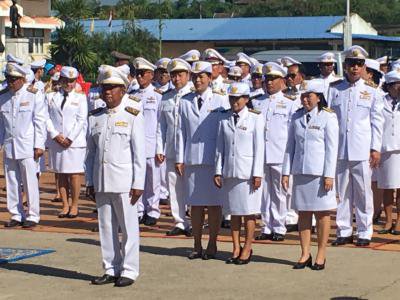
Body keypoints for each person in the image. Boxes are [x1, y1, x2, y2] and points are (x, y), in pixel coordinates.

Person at [86, 65, 146, 287]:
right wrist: (90, 181)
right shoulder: (95, 117)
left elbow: (139, 153)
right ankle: (111, 268)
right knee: (106, 227)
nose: (107, 92)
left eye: (112, 88)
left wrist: (138, 183)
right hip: (102, 179)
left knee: (128, 227)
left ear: (123, 90)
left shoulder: (133, 114)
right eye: (104, 88)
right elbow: (90, 154)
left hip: (124, 182)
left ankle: (129, 270)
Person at [328, 45, 384, 247]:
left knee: (363, 192)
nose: (355, 68)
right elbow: (330, 120)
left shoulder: (371, 91)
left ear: (363, 67)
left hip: (362, 149)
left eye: (359, 64)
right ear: (346, 65)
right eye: (351, 64)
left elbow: (377, 122)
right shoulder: (335, 89)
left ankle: (364, 231)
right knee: (342, 193)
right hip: (340, 149)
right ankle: (344, 230)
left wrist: (375, 148)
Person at [282, 79, 339, 271]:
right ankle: (305, 252)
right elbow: (290, 147)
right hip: (301, 172)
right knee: (303, 214)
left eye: (309, 96)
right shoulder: (296, 117)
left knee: (322, 214)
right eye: (303, 96)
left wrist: (329, 175)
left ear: (319, 97)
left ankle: (321, 253)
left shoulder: (328, 117)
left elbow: (332, 149)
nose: (305, 99)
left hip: (320, 173)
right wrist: (286, 172)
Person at [176, 61, 229, 259]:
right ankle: (197, 244)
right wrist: (180, 158)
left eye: (202, 76)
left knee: (214, 205)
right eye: (195, 76)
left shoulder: (220, 100)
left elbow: (224, 134)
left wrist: (221, 161)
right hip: (192, 159)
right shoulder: (185, 101)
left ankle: (213, 244)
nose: (198, 80)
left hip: (212, 159)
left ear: (209, 78)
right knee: (195, 205)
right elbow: (180, 132)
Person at [215, 82, 264, 265]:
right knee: (233, 213)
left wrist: (257, 173)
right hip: (230, 171)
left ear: (246, 99)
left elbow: (259, 148)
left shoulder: (255, 118)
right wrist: (217, 170)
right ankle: (235, 247)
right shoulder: (224, 118)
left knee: (248, 213)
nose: (234, 102)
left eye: (238, 98)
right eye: (232, 98)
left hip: (247, 173)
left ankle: (247, 246)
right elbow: (220, 148)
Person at [0, 63, 47, 228]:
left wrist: (39, 145)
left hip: (28, 145)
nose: (10, 82)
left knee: (29, 182)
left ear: (22, 78)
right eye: (8, 78)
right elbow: (1, 124)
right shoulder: (3, 96)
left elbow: (40, 121)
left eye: (13, 79)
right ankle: (16, 214)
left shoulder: (33, 94)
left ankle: (33, 215)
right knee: (11, 180)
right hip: (10, 145)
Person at [255, 62, 298, 241]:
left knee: (280, 193)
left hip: (280, 153)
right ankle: (266, 225)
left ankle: (279, 227)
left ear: (282, 80)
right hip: (260, 154)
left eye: (273, 79)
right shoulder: (257, 101)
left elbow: (292, 133)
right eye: (267, 79)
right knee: (263, 193)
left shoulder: (290, 103)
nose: (269, 83)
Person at [156, 58, 193, 236]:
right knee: (174, 187)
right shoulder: (166, 97)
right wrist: (159, 149)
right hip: (172, 148)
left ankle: (196, 220)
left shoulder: (194, 95)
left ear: (188, 75)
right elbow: (161, 126)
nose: (176, 79)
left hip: (191, 150)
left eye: (180, 75)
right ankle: (180, 222)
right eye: (173, 75)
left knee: (193, 186)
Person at [46, 66, 88, 218]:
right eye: (67, 81)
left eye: (72, 81)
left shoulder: (81, 97)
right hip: (57, 141)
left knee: (74, 175)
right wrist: (55, 135)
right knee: (61, 174)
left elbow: (81, 120)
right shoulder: (51, 97)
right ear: (61, 80)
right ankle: (65, 205)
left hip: (74, 142)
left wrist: (69, 138)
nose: (69, 84)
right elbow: (46, 117)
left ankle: (75, 205)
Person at [131, 57, 162, 226]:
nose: (139, 77)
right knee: (138, 178)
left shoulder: (157, 96)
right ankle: (139, 209)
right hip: (136, 144)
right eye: (137, 73)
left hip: (151, 143)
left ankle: (153, 210)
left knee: (153, 180)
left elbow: (160, 124)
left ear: (151, 75)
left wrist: (159, 148)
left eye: (143, 73)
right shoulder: (132, 95)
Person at [376, 70, 400, 235]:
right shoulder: (380, 101)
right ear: (390, 86)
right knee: (387, 187)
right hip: (386, 148)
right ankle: (388, 220)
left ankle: (399, 221)